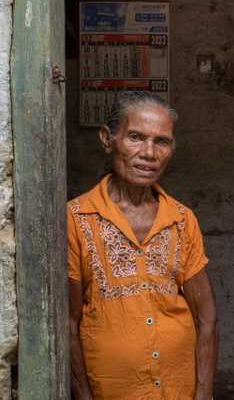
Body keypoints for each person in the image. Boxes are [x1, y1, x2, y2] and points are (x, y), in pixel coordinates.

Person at [68, 92, 218, 400]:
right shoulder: (76, 218)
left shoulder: (181, 219)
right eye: (136, 137)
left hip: (178, 389)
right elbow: (68, 324)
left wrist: (203, 393)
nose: (149, 153)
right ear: (108, 139)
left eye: (161, 141)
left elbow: (206, 318)